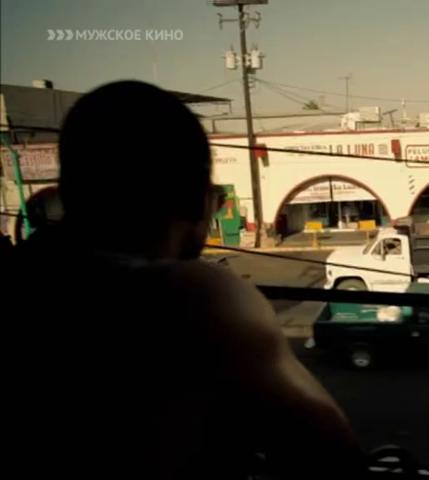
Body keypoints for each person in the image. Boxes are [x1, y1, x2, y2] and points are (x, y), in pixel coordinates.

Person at [6, 81, 365, 479]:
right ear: (199, 201)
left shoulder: (24, 278)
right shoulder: (195, 298)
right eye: (217, 200)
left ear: (66, 192)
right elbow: (333, 457)